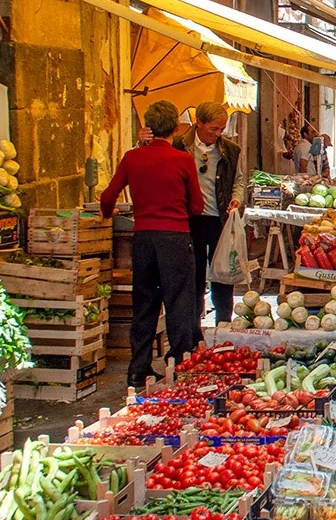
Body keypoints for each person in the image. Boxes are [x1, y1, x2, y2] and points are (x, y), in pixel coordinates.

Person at [101, 100, 203, 388]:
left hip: (143, 239)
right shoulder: (182, 160)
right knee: (179, 302)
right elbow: (197, 206)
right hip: (175, 238)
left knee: (144, 305)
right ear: (175, 128)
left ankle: (138, 369)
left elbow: (108, 196)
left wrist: (109, 216)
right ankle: (180, 364)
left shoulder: (131, 158)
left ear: (149, 127)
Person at [172, 102, 246, 327]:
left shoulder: (230, 150)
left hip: (219, 220)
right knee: (192, 275)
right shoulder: (179, 146)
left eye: (221, 129)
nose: (218, 134)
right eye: (213, 129)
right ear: (199, 123)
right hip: (190, 221)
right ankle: (192, 327)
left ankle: (223, 323)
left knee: (223, 275)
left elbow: (239, 180)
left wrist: (237, 199)